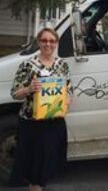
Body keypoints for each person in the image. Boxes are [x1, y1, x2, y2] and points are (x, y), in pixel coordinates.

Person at [10, 28, 73, 191]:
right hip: (32, 124)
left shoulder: (62, 65)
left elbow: (69, 89)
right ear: (39, 42)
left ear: (56, 43)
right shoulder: (27, 65)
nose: (48, 44)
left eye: (52, 41)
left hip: (54, 123)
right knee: (34, 168)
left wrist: (66, 101)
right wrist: (29, 88)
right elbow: (14, 94)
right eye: (44, 40)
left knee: (47, 165)